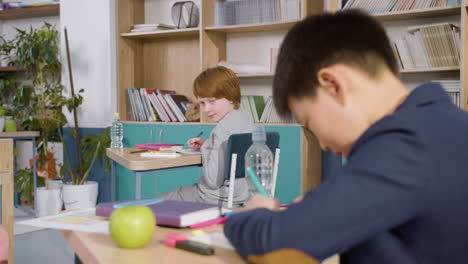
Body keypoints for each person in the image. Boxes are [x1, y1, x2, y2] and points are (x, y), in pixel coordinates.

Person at [223, 10, 468, 263]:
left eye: (309, 123)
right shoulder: (442, 125)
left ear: (333, 85)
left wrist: (255, 214)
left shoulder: (408, 143)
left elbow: (272, 242)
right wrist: (325, 207)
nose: (323, 144)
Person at [157, 66, 254, 206]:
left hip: (212, 198)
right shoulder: (245, 117)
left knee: (152, 204)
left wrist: (207, 146)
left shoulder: (222, 130)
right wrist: (209, 143)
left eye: (212, 101)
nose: (206, 109)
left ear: (231, 97)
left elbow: (213, 181)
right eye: (202, 103)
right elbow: (231, 150)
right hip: (241, 196)